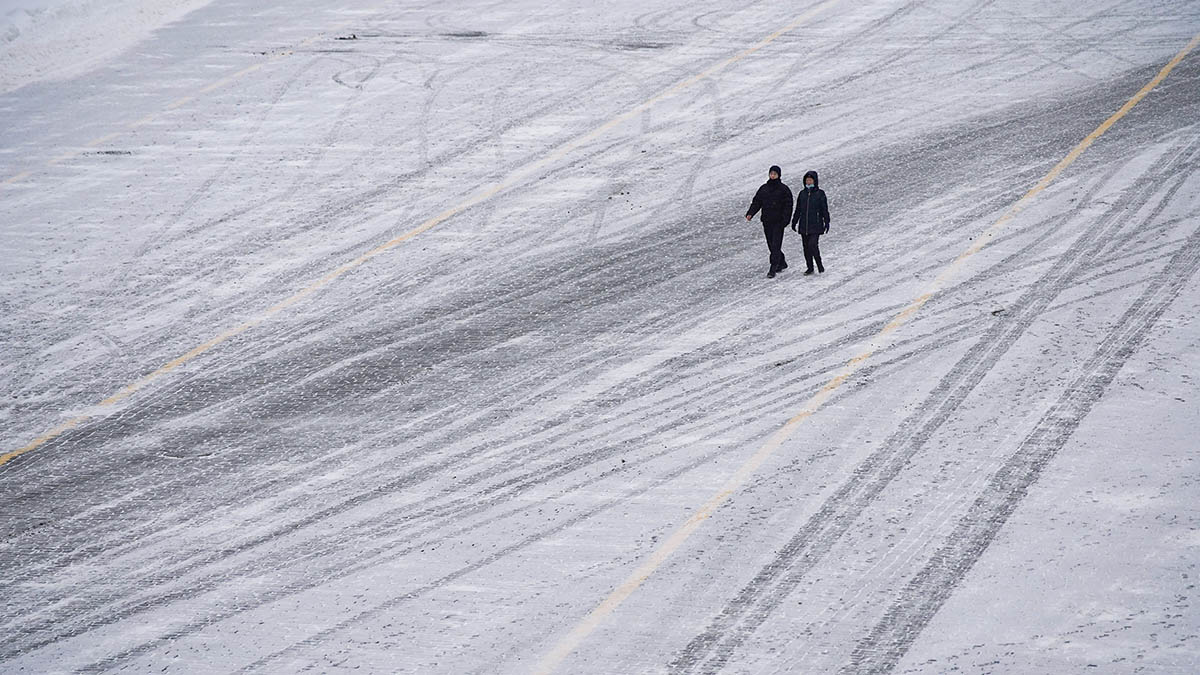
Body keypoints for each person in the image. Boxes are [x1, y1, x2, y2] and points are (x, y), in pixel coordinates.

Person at [745, 165, 794, 278]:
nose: (772, 176)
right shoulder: (764, 188)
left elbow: (788, 205)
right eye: (771, 174)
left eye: (775, 174)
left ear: (779, 175)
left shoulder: (783, 189)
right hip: (767, 221)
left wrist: (785, 220)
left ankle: (773, 267)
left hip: (778, 221)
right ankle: (782, 262)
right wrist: (750, 213)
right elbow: (757, 202)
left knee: (776, 245)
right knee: (771, 244)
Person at [791, 170, 830, 274]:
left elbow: (824, 209)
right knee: (806, 247)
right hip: (804, 225)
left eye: (810, 180)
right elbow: (798, 209)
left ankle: (819, 265)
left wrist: (827, 221)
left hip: (816, 225)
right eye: (807, 180)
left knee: (813, 245)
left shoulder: (820, 193)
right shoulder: (802, 194)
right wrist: (794, 221)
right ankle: (810, 267)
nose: (808, 182)